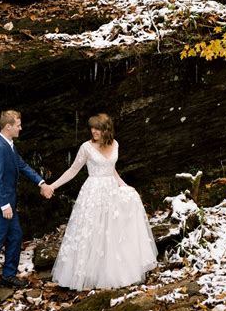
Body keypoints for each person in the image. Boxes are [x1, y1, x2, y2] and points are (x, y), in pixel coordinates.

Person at [49, 113, 157, 291]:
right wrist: (53, 186)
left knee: (111, 232)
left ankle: (111, 273)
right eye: (91, 128)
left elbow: (112, 170)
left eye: (97, 128)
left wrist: (125, 186)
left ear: (106, 129)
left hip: (111, 190)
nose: (93, 131)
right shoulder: (86, 147)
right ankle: (88, 275)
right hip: (93, 192)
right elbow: (73, 170)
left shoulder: (115, 144)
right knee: (92, 232)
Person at [0, 110, 53, 302]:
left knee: (15, 236)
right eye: (18, 124)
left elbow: (22, 166)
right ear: (8, 127)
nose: (21, 128)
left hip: (8, 205)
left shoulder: (9, 145)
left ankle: (8, 275)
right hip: (1, 206)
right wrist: (4, 205)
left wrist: (41, 183)